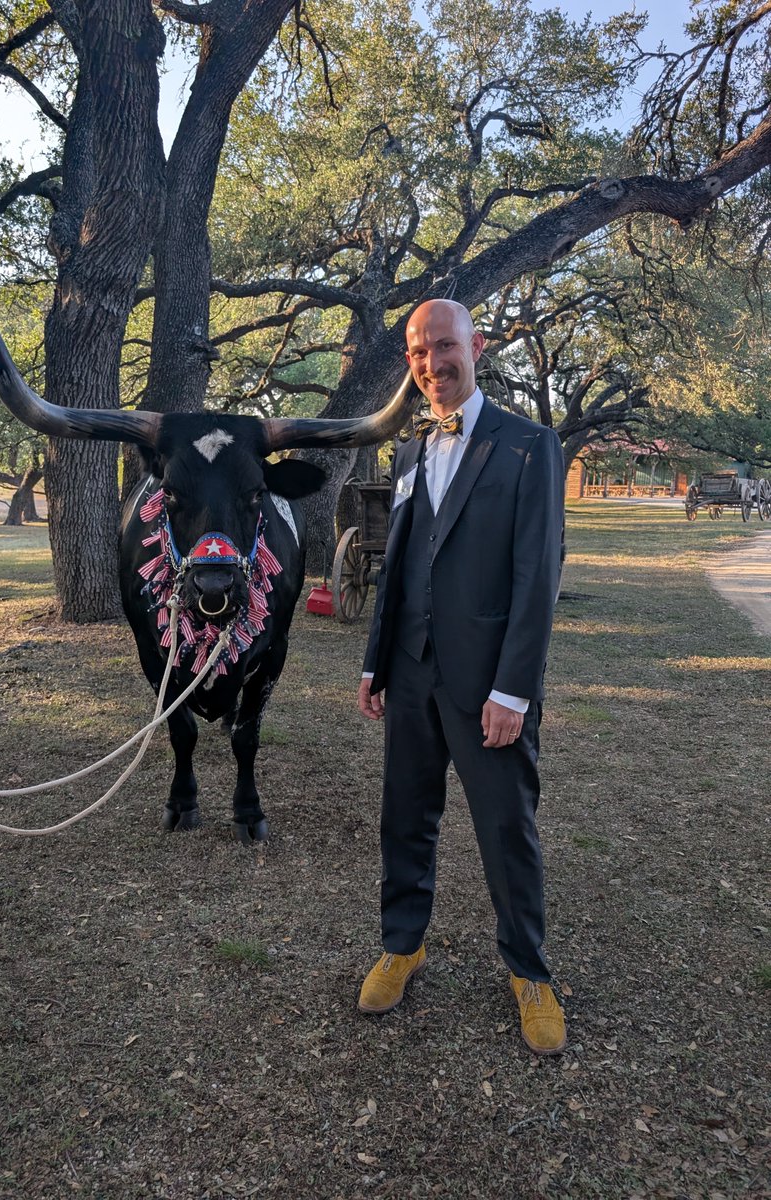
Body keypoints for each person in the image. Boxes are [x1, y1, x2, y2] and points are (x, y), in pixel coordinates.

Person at [356, 298, 566, 1055]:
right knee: (404, 817)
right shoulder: (410, 452)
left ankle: (528, 971)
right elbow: (398, 565)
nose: (431, 364)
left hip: (488, 685)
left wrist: (513, 690)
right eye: (418, 351)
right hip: (411, 671)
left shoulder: (529, 445)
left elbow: (537, 575)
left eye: (443, 346)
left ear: (475, 347)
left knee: (505, 828)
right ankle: (401, 944)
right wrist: (376, 660)